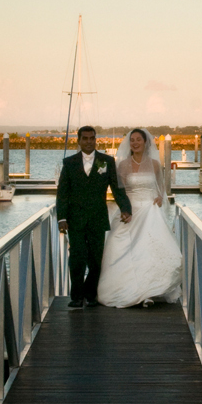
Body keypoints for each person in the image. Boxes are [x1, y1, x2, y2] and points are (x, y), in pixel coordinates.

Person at [97, 128, 183, 308]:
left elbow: (160, 189)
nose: (135, 143)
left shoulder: (154, 164)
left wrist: (160, 197)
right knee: (120, 248)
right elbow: (119, 191)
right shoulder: (123, 165)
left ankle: (148, 291)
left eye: (139, 140)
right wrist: (124, 209)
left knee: (148, 250)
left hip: (150, 210)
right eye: (132, 140)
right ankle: (126, 288)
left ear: (146, 143)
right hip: (130, 211)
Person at [57, 126, 131, 309]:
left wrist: (125, 208)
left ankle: (90, 295)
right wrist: (62, 218)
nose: (89, 141)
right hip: (75, 219)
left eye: (92, 138)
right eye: (85, 138)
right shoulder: (69, 163)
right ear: (79, 141)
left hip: (97, 218)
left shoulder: (106, 161)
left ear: (95, 139)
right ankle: (76, 296)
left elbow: (116, 187)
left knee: (96, 260)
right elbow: (63, 193)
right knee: (77, 258)